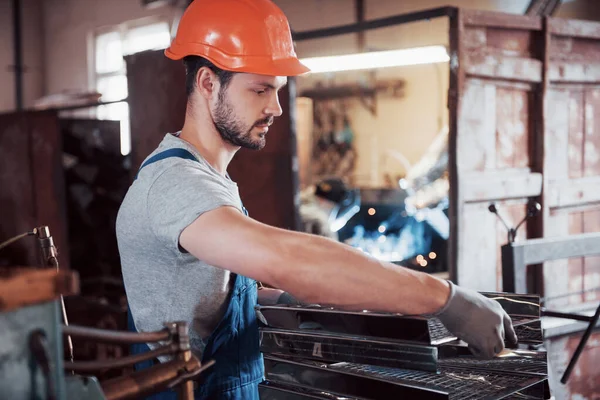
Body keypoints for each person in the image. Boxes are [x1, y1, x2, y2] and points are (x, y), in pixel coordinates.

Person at [116, 0, 517, 398]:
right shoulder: (175, 184)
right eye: (260, 90)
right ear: (207, 83)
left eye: (277, 91)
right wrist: (446, 299)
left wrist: (286, 301)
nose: (275, 108)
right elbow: (289, 259)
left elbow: (205, 291)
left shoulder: (210, 179)